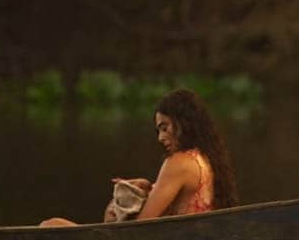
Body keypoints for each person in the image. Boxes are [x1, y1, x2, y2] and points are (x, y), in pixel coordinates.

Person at [40, 88, 238, 226]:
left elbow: (141, 226)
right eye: (158, 130)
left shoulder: (179, 162)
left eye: (165, 127)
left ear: (184, 123)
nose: (161, 137)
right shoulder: (205, 159)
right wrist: (149, 187)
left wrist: (117, 205)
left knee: (50, 225)